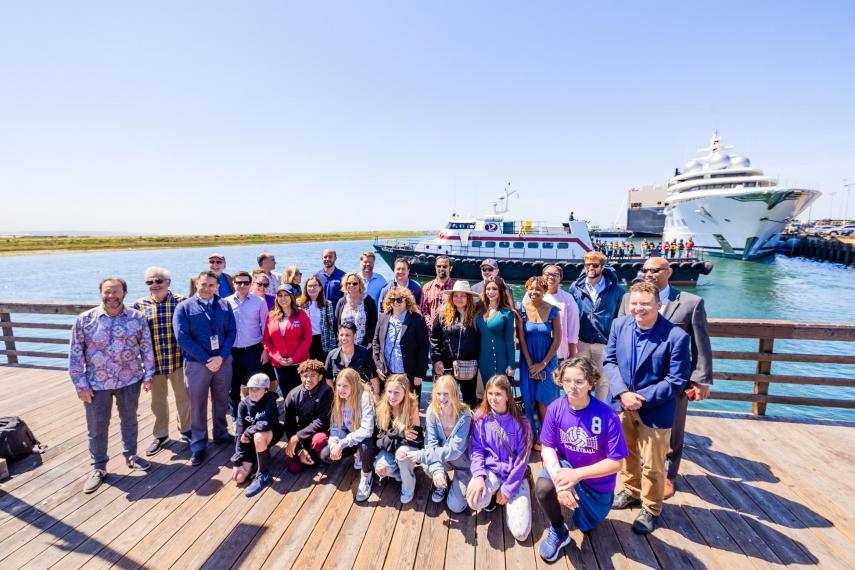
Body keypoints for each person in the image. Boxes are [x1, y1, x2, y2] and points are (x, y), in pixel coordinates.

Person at [618, 256, 712, 499]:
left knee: (673, 431)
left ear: (669, 272)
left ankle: (669, 476)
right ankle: (634, 483)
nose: (649, 273)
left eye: (655, 270)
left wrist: (701, 379)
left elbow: (700, 344)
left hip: (672, 381)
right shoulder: (629, 299)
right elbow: (620, 337)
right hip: (633, 382)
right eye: (645, 269)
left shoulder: (691, 302)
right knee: (630, 438)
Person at [605, 281, 691, 534]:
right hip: (622, 403)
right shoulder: (619, 325)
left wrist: (637, 398)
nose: (638, 308)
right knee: (626, 453)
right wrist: (622, 393)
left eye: (645, 303)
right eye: (634, 303)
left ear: (658, 304)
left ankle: (651, 507)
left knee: (653, 463)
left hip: (654, 409)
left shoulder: (676, 336)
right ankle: (631, 490)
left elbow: (676, 380)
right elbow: (610, 361)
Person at [535, 358, 628, 561]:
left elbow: (616, 463)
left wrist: (576, 476)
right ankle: (559, 531)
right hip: (568, 466)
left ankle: (587, 506)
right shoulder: (555, 409)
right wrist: (560, 483)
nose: (572, 387)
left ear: (591, 382)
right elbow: (548, 448)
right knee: (543, 487)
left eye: (579, 381)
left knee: (586, 525)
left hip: (596, 482)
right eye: (567, 380)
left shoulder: (607, 416)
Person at [70, 277, 155, 494]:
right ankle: (99, 467)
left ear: (124, 293)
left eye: (116, 292)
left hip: (130, 379)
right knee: (97, 427)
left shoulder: (137, 318)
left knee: (129, 420)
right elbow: (75, 354)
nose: (111, 296)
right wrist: (81, 385)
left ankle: (131, 455)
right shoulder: (85, 320)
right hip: (96, 383)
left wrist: (148, 375)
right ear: (101, 293)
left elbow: (146, 348)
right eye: (107, 292)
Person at [174, 271, 238, 467]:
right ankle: (199, 443)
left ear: (217, 286)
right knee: (197, 403)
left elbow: (232, 331)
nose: (207, 288)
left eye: (211, 285)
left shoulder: (224, 304)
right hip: (197, 363)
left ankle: (220, 433)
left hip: (222, 361)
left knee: (221, 399)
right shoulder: (184, 307)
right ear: (196, 284)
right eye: (203, 284)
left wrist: (221, 356)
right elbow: (182, 337)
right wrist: (207, 359)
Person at [466, 374, 532, 543]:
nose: (493, 398)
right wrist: (479, 475)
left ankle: (505, 495)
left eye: (498, 394)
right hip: (492, 471)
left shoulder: (522, 423)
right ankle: (492, 496)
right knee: (474, 500)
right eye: (490, 393)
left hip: (515, 475)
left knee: (521, 533)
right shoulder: (480, 418)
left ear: (507, 396)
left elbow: (522, 460)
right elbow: (476, 449)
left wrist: (508, 489)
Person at [134, 267, 191, 457]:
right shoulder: (139, 305)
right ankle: (161, 435)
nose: (154, 285)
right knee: (158, 401)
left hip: (178, 360)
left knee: (183, 398)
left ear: (168, 282)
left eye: (158, 281)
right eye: (150, 282)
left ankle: (186, 430)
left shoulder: (182, 302)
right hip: (154, 362)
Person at [569, 251, 624, 402]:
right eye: (587, 265)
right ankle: (582, 408)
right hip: (581, 341)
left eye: (595, 265)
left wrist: (616, 342)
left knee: (603, 381)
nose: (590, 268)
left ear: (602, 267)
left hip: (604, 343)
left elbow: (620, 317)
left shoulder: (617, 290)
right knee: (580, 378)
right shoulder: (575, 288)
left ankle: (600, 411)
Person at [413, 375, 472, 512]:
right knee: (428, 466)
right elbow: (431, 442)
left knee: (456, 507)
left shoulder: (465, 415)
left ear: (454, 394)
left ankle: (459, 484)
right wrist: (438, 470)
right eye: (438, 394)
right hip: (442, 460)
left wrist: (424, 455)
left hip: (462, 464)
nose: (441, 398)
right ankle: (443, 482)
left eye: (446, 394)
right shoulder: (432, 412)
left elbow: (455, 449)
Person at [320, 368, 377, 502]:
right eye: (338, 385)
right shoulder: (339, 398)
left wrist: (342, 443)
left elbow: (367, 430)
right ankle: (357, 453)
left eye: (345, 385)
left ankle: (367, 475)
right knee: (325, 455)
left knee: (365, 446)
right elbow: (336, 427)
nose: (340, 389)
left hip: (369, 437)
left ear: (354, 385)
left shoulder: (364, 397)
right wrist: (334, 445)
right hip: (351, 435)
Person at [517, 276, 562, 438]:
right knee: (530, 399)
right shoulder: (521, 310)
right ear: (527, 289)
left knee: (545, 399)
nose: (534, 292)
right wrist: (531, 365)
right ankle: (533, 436)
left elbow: (557, 339)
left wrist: (542, 364)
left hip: (547, 359)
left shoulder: (553, 310)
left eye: (538, 289)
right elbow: (521, 338)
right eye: (531, 288)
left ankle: (547, 436)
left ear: (544, 291)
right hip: (527, 359)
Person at [225, 271, 270, 421]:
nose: (242, 285)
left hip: (253, 350)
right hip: (232, 351)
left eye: (245, 283)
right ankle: (235, 416)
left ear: (251, 284)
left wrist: (266, 350)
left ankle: (256, 413)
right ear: (234, 284)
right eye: (239, 282)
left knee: (255, 383)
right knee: (233, 385)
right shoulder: (225, 302)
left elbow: (265, 327)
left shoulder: (259, 302)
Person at [231, 373, 284, 497]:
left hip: (271, 433)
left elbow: (267, 423)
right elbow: (239, 432)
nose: (253, 392)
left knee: (259, 436)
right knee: (238, 478)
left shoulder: (270, 399)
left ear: (265, 390)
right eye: (251, 389)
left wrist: (248, 432)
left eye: (258, 389)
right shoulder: (243, 405)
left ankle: (263, 473)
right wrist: (237, 460)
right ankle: (260, 456)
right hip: (248, 441)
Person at [373, 374, 424, 504]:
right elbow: (379, 439)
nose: (392, 396)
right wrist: (400, 433)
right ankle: (401, 475)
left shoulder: (411, 406)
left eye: (397, 392)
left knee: (402, 454)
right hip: (390, 446)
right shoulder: (382, 406)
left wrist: (392, 436)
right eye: (389, 392)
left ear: (405, 392)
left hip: (403, 448)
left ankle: (408, 488)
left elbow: (416, 438)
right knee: (380, 468)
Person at [430, 281, 481, 407]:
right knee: (445, 400)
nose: (459, 299)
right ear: (451, 297)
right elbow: (434, 338)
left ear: (468, 298)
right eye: (456, 295)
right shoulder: (442, 314)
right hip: (447, 365)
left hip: (470, 365)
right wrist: (436, 359)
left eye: (462, 296)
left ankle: (468, 425)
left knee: (469, 401)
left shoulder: (476, 315)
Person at [372, 287, 429, 399]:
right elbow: (376, 343)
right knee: (388, 408)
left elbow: (423, 348)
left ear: (406, 300)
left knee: (410, 410)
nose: (395, 302)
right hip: (387, 373)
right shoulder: (383, 318)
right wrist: (378, 366)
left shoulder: (417, 319)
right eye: (392, 300)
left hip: (409, 374)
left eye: (399, 300)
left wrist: (419, 374)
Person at [282, 359, 333, 473]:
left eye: (313, 375)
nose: (308, 379)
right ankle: (305, 454)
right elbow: (289, 423)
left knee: (319, 441)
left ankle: (318, 457)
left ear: (320, 377)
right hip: (302, 432)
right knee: (294, 468)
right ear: (300, 377)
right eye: (305, 376)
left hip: (321, 430)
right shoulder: (293, 394)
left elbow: (322, 421)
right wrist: (299, 449)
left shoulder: (327, 392)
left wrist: (296, 437)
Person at [263, 284, 312, 396]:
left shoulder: (302, 314)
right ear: (276, 298)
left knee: (302, 393)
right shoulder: (271, 316)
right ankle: (288, 413)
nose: (283, 298)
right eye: (280, 295)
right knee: (286, 394)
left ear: (292, 297)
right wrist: (277, 357)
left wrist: (294, 358)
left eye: (286, 295)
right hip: (279, 364)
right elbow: (266, 340)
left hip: (300, 362)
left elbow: (307, 339)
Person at [476, 276, 516, 385]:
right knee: (485, 394)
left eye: (494, 289)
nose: (490, 292)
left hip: (499, 360)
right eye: (488, 289)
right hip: (483, 360)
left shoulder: (507, 313)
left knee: (499, 391)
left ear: (501, 291)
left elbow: (509, 341)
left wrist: (512, 365)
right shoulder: (479, 310)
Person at [325, 322, 379, 398]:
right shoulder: (331, 355)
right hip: (340, 397)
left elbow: (373, 378)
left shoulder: (364, 353)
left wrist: (376, 395)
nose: (344, 338)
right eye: (341, 335)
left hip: (360, 396)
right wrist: (334, 395)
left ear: (355, 336)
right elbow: (328, 379)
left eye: (347, 335)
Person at [541, 265, 579, 360]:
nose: (551, 277)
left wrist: (572, 353)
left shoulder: (567, 298)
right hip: (538, 349)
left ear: (560, 278)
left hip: (559, 352)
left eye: (555, 275)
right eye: (547, 274)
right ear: (542, 276)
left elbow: (573, 327)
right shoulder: (533, 295)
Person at [334, 271, 378, 348]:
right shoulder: (341, 302)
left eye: (355, 283)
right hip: (344, 346)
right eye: (349, 283)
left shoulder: (368, 301)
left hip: (364, 346)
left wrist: (368, 343)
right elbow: (336, 324)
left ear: (359, 285)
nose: (351, 285)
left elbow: (373, 324)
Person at [298, 275, 337, 362]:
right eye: (310, 286)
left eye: (315, 285)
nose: (312, 288)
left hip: (322, 341)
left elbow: (331, 326)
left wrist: (332, 346)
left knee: (322, 368)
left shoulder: (327, 304)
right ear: (306, 288)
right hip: (306, 340)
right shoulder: (300, 304)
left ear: (320, 288)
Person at [419, 256, 455, 333]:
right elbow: (423, 310)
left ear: (450, 268)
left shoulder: (455, 287)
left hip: (450, 333)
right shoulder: (427, 287)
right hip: (431, 333)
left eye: (445, 266)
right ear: (435, 267)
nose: (441, 269)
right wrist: (431, 325)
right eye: (439, 266)